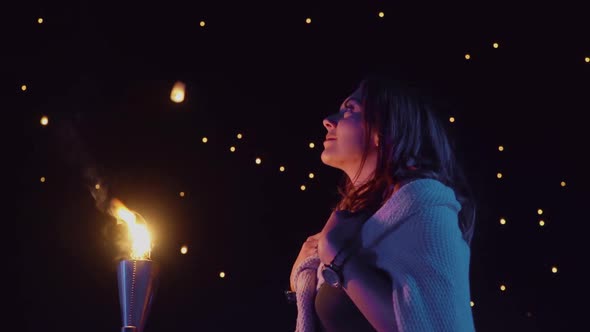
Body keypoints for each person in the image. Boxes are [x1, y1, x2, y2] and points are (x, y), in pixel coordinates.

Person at [288, 72, 477, 332]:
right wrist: (304, 275)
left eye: (349, 110)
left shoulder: (426, 212)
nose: (328, 121)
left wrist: (336, 255)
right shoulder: (361, 225)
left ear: (383, 130)